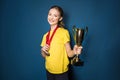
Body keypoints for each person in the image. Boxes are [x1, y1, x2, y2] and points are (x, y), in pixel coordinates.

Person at [40, 5, 82, 80]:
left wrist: (75, 52)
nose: (51, 17)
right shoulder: (45, 35)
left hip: (61, 73)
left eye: (55, 15)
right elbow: (44, 56)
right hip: (49, 70)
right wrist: (42, 50)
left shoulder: (64, 32)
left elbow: (69, 53)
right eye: (50, 14)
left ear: (60, 18)